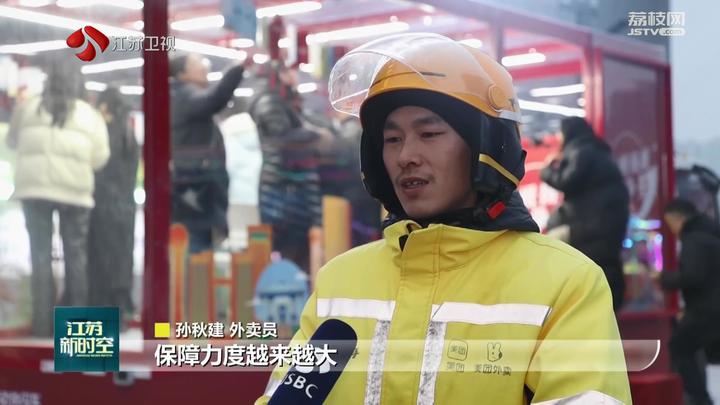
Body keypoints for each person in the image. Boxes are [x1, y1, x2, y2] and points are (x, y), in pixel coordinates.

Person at [255, 33, 630, 405]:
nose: (406, 156)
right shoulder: (339, 281)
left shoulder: (564, 284)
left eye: (429, 133)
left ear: (489, 147)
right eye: (392, 139)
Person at [6, 59, 110, 337]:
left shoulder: (27, 108)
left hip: (34, 191)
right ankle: (75, 332)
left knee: (40, 256)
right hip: (75, 193)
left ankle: (42, 326)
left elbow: (13, 142)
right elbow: (100, 158)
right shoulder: (89, 115)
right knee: (76, 257)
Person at [541, 117, 630, 311]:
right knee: (604, 268)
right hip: (604, 227)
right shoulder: (598, 152)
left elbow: (567, 181)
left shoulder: (581, 151)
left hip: (589, 227)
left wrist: (547, 170)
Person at [170, 53, 248, 253]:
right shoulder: (184, 95)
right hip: (196, 191)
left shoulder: (180, 96)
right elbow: (214, 99)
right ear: (182, 74)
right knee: (197, 252)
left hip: (196, 191)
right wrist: (237, 69)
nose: (205, 67)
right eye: (198, 64)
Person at [659, 198, 720, 405]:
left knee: (680, 346)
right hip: (710, 306)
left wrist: (663, 278)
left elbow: (693, 275)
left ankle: (699, 399)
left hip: (707, 309)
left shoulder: (694, 239)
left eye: (670, 224)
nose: (672, 230)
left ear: (678, 219)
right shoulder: (709, 233)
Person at [87, 87, 140, 320]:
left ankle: (103, 313)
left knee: (101, 260)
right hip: (126, 206)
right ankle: (121, 310)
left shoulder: (103, 132)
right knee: (122, 258)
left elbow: (98, 169)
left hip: (102, 204)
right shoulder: (129, 134)